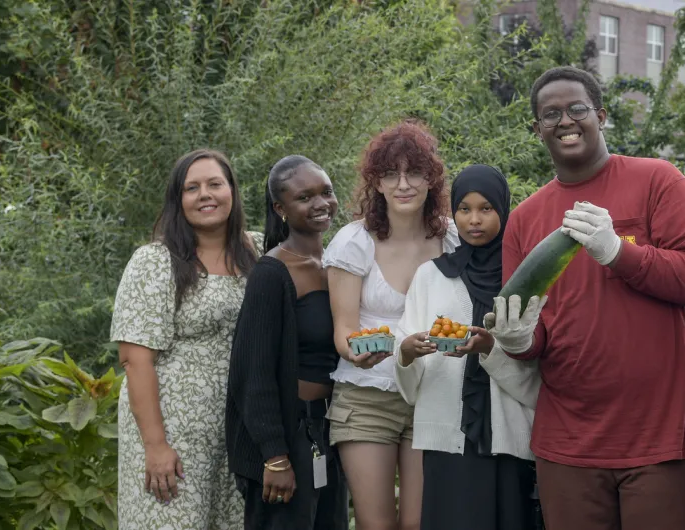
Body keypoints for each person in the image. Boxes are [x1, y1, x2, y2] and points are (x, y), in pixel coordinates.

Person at [495, 65, 685, 530]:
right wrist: (518, 341)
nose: (565, 121)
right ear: (537, 130)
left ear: (601, 114)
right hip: (569, 441)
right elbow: (535, 332)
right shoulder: (525, 219)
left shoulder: (658, 180)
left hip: (664, 435)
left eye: (577, 108)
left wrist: (618, 253)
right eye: (550, 114)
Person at [111, 148, 262, 529]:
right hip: (172, 430)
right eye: (192, 188)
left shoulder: (258, 252)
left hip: (238, 429)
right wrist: (155, 446)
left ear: (233, 191)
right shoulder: (155, 261)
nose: (205, 195)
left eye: (215, 184)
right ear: (178, 201)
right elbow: (135, 359)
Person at [323, 119, 459, 530]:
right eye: (390, 174)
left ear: (430, 180)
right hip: (368, 397)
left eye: (414, 172)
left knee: (420, 523)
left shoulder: (451, 238)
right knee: (376, 524)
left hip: (431, 393)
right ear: (376, 183)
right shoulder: (353, 241)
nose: (403, 184)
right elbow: (344, 330)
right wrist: (358, 354)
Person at [394, 164, 542, 530]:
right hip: (448, 442)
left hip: (510, 439)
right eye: (464, 209)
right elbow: (406, 352)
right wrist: (408, 353)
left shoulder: (523, 279)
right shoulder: (431, 276)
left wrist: (490, 349)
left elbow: (536, 379)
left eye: (486, 209)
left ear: (504, 211)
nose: (474, 220)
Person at [227, 155, 349, 528]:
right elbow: (254, 373)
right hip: (289, 436)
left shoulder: (341, 265)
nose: (320, 204)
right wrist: (275, 456)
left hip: (336, 428)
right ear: (280, 208)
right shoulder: (272, 273)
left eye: (326, 192)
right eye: (305, 197)